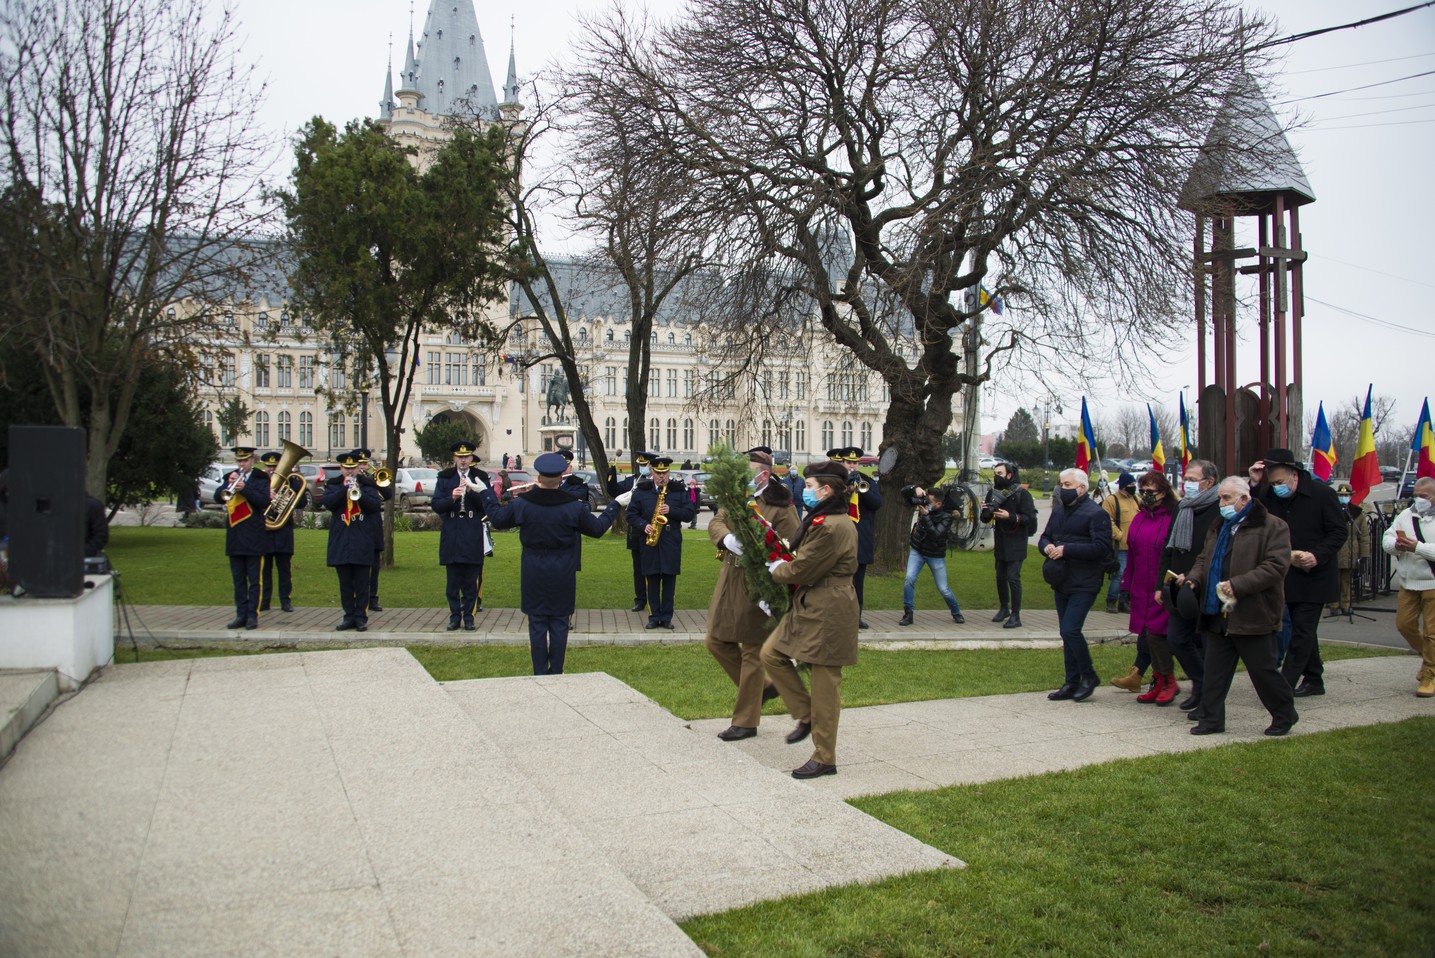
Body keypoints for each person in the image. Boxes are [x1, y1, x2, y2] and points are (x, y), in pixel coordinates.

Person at [478, 453, 632, 674]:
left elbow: (498, 519)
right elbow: (597, 529)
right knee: (560, 624)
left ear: (539, 477)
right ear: (561, 478)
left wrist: (485, 493)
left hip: (533, 571)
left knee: (537, 624)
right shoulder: (573, 507)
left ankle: (540, 672)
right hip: (562, 571)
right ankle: (556, 672)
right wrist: (615, 504)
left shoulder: (523, 504)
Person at [760, 459, 860, 778]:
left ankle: (824, 757)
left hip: (829, 606)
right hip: (812, 602)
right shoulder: (821, 518)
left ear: (827, 490)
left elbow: (804, 568)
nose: (806, 492)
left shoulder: (831, 525)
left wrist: (776, 569)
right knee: (771, 654)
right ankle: (806, 714)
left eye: (812, 487)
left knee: (825, 686)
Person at [1179, 476, 1299, 736]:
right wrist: (1192, 580)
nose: (1221, 503)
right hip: (1217, 611)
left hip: (1252, 612)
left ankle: (1284, 714)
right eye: (1220, 497)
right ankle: (1211, 720)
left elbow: (1276, 567)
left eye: (1226, 498)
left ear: (1244, 499)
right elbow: (1204, 560)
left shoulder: (1272, 526)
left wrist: (1238, 584)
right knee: (1214, 672)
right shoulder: (1219, 525)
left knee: (1262, 671)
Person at [705, 447, 799, 741]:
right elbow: (716, 520)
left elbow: (791, 547)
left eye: (747, 473)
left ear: (764, 475)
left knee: (752, 652)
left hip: (758, 584)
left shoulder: (780, 506)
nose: (742, 478)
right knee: (715, 640)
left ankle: (745, 721)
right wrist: (726, 538)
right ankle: (766, 688)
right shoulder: (738, 496)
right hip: (730, 579)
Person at [1257, 448, 1347, 697]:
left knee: (1302, 631)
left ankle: (1283, 685)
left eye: (1280, 482)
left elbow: (1339, 531)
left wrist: (1316, 555)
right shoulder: (1268, 496)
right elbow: (1252, 514)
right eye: (1272, 482)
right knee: (1301, 628)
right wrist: (1255, 482)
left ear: (1294, 476)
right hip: (1286, 575)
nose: (1276, 487)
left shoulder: (1321, 494)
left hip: (1314, 575)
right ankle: (1314, 679)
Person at [1039, 468, 1113, 702]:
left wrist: (1067, 549)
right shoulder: (1059, 510)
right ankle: (1071, 681)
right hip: (1062, 579)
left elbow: (1101, 548)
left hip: (1085, 581)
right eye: (1061, 484)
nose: (1062, 488)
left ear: (1082, 488)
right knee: (1066, 632)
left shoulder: (1096, 514)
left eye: (1068, 485)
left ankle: (1088, 676)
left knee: (1071, 629)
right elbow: (1045, 536)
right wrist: (1047, 547)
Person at [1155, 458, 1221, 717]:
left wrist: (1195, 575)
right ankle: (1201, 682)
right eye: (1186, 479)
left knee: (1206, 643)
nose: (1187, 484)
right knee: (1177, 638)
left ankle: (1209, 695)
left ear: (1209, 482)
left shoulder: (1219, 508)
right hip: (1178, 585)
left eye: (1193, 480)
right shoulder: (1182, 507)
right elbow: (1168, 548)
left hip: (1204, 584)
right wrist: (1162, 583)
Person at [1110, 472, 1179, 703]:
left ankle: (1168, 680)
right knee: (1147, 635)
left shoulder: (1173, 518)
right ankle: (1156, 680)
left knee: (1160, 635)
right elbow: (1132, 554)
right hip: (1141, 585)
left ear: (1164, 492)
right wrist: (1126, 584)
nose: (1146, 496)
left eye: (1152, 492)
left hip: (1162, 586)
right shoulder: (1139, 519)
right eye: (1143, 491)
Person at [628, 456, 696, 629]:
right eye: (658, 473)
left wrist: (671, 510)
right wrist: (644, 526)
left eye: (664, 472)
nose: (661, 476)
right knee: (651, 579)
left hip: (670, 540)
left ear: (669, 472)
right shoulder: (641, 491)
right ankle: (653, 616)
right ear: (652, 472)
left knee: (668, 580)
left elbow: (689, 514)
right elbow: (631, 514)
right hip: (649, 541)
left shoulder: (679, 490)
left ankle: (666, 617)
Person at [1382, 476, 1435, 697]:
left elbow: (1425, 549)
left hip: (1432, 582)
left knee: (1433, 633)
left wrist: (1418, 548)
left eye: (1423, 496)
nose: (1418, 500)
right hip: (1408, 582)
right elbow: (1387, 539)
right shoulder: (1406, 515)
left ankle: (1428, 675)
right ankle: (1429, 660)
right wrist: (1397, 544)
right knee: (1405, 625)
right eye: (1415, 495)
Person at [433, 440, 490, 632]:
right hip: (452, 534)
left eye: (466, 457)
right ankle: (454, 616)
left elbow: (487, 504)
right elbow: (436, 505)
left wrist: (471, 491)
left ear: (471, 458)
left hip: (472, 534)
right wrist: (452, 498)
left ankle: (469, 617)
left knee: (470, 583)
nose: (463, 460)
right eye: (459, 457)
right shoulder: (444, 478)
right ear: (454, 458)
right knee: (452, 584)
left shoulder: (480, 477)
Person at [321, 450, 382, 632]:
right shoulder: (333, 485)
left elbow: (374, 506)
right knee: (345, 584)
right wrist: (343, 489)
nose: (350, 472)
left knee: (362, 583)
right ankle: (348, 616)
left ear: (357, 468)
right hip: (341, 540)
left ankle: (361, 617)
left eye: (353, 468)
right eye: (346, 468)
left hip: (362, 539)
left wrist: (359, 491)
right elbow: (329, 504)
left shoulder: (367, 484)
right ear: (341, 468)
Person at [215, 446, 271, 630]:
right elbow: (218, 497)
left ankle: (252, 616)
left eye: (245, 460)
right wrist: (227, 485)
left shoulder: (261, 478)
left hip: (254, 536)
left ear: (252, 460)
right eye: (239, 460)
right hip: (235, 536)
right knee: (238, 579)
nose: (241, 464)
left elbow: (263, 501)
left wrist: (245, 489)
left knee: (254, 580)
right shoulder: (230, 476)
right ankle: (240, 614)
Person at [897, 483, 965, 626]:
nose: (926, 503)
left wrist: (926, 516)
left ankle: (956, 611)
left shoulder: (947, 516)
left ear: (939, 503)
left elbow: (936, 534)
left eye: (930, 502)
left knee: (943, 588)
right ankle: (908, 613)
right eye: (926, 500)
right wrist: (914, 488)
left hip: (935, 554)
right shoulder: (924, 506)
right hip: (918, 549)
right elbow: (904, 494)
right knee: (909, 579)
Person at [983, 462, 1038, 628]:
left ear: (1009, 475)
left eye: (999, 473)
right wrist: (986, 511)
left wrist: (1010, 516)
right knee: (1000, 576)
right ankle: (1004, 608)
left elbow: (1029, 518)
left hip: (1016, 541)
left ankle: (1016, 614)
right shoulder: (993, 493)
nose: (996, 476)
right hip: (1001, 540)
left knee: (1013, 578)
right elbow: (984, 518)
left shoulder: (1022, 494)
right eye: (994, 473)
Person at [837, 447, 881, 629]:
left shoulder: (867, 481)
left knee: (858, 581)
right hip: (840, 537)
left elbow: (877, 504)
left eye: (855, 463)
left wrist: (863, 489)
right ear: (843, 463)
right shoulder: (836, 482)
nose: (852, 466)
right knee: (839, 580)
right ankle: (838, 615)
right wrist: (846, 488)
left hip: (860, 537)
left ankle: (857, 616)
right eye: (849, 462)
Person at [257, 450, 307, 613]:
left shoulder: (290, 482)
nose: (272, 470)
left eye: (275, 466)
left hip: (283, 531)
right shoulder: (260, 482)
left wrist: (294, 483)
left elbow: (302, 503)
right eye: (269, 467)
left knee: (284, 569)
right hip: (265, 531)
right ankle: (265, 601)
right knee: (265, 570)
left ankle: (286, 600)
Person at [610, 452, 653, 612]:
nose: (643, 467)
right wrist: (612, 474)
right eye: (641, 465)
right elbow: (615, 490)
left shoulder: (657, 482)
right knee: (638, 568)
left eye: (645, 465)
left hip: (653, 528)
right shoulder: (632, 481)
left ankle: (653, 599)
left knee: (653, 566)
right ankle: (640, 599)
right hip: (636, 531)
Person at [356, 449, 391, 614]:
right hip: (357, 528)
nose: (363, 467)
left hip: (373, 527)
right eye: (360, 464)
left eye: (365, 463)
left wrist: (377, 481)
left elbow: (388, 495)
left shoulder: (372, 479)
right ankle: (359, 598)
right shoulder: (353, 481)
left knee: (374, 566)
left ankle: (373, 598)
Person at [1328, 481, 1369, 617]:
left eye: (1346, 495)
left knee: (1346, 580)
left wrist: (1364, 555)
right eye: (1340, 494)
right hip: (1335, 552)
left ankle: (1346, 605)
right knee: (1334, 580)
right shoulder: (1332, 510)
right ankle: (1333, 605)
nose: (1343, 497)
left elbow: (1364, 536)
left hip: (1351, 551)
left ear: (1351, 496)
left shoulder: (1357, 513)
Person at [1101, 472, 1139, 614]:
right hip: (1121, 546)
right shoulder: (1112, 500)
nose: (1133, 487)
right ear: (1123, 486)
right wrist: (1119, 535)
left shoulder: (1135, 499)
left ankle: (1125, 601)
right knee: (1120, 574)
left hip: (1135, 545)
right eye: (1131, 485)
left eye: (1134, 485)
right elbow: (1107, 520)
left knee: (1131, 575)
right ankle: (1111, 601)